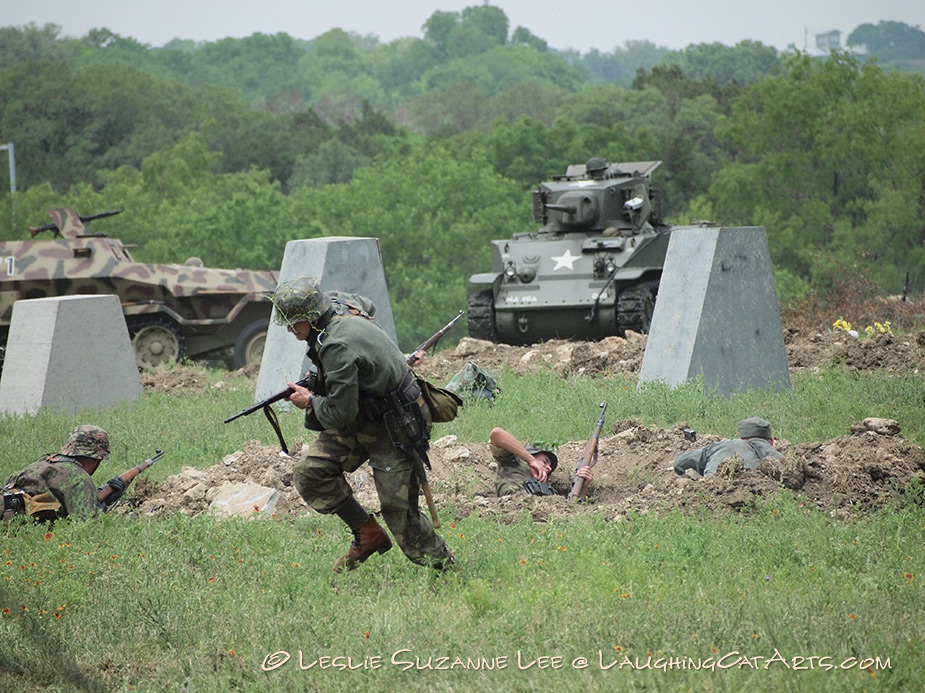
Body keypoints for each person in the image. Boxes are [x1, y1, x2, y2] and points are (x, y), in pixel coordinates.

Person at [271, 276, 456, 573]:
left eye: (296, 323)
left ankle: (448, 572)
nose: (292, 331)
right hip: (364, 415)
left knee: (399, 514)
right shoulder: (341, 302)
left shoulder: (336, 345)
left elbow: (339, 413)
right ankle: (367, 533)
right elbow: (367, 304)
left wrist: (309, 401)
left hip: (396, 423)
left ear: (312, 315)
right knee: (311, 473)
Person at [2, 425, 128, 522]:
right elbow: (86, 527)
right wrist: (103, 506)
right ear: (97, 459)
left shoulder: (45, 463)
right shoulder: (79, 478)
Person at [489, 427, 593, 497]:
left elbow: (571, 509)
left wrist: (583, 487)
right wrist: (531, 460)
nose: (549, 468)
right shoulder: (513, 463)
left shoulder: (549, 490)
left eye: (550, 467)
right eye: (545, 461)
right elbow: (496, 434)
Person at [672, 417, 782, 478]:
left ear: (740, 437)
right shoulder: (774, 455)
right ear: (771, 441)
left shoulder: (721, 446)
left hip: (711, 493)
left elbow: (679, 463)